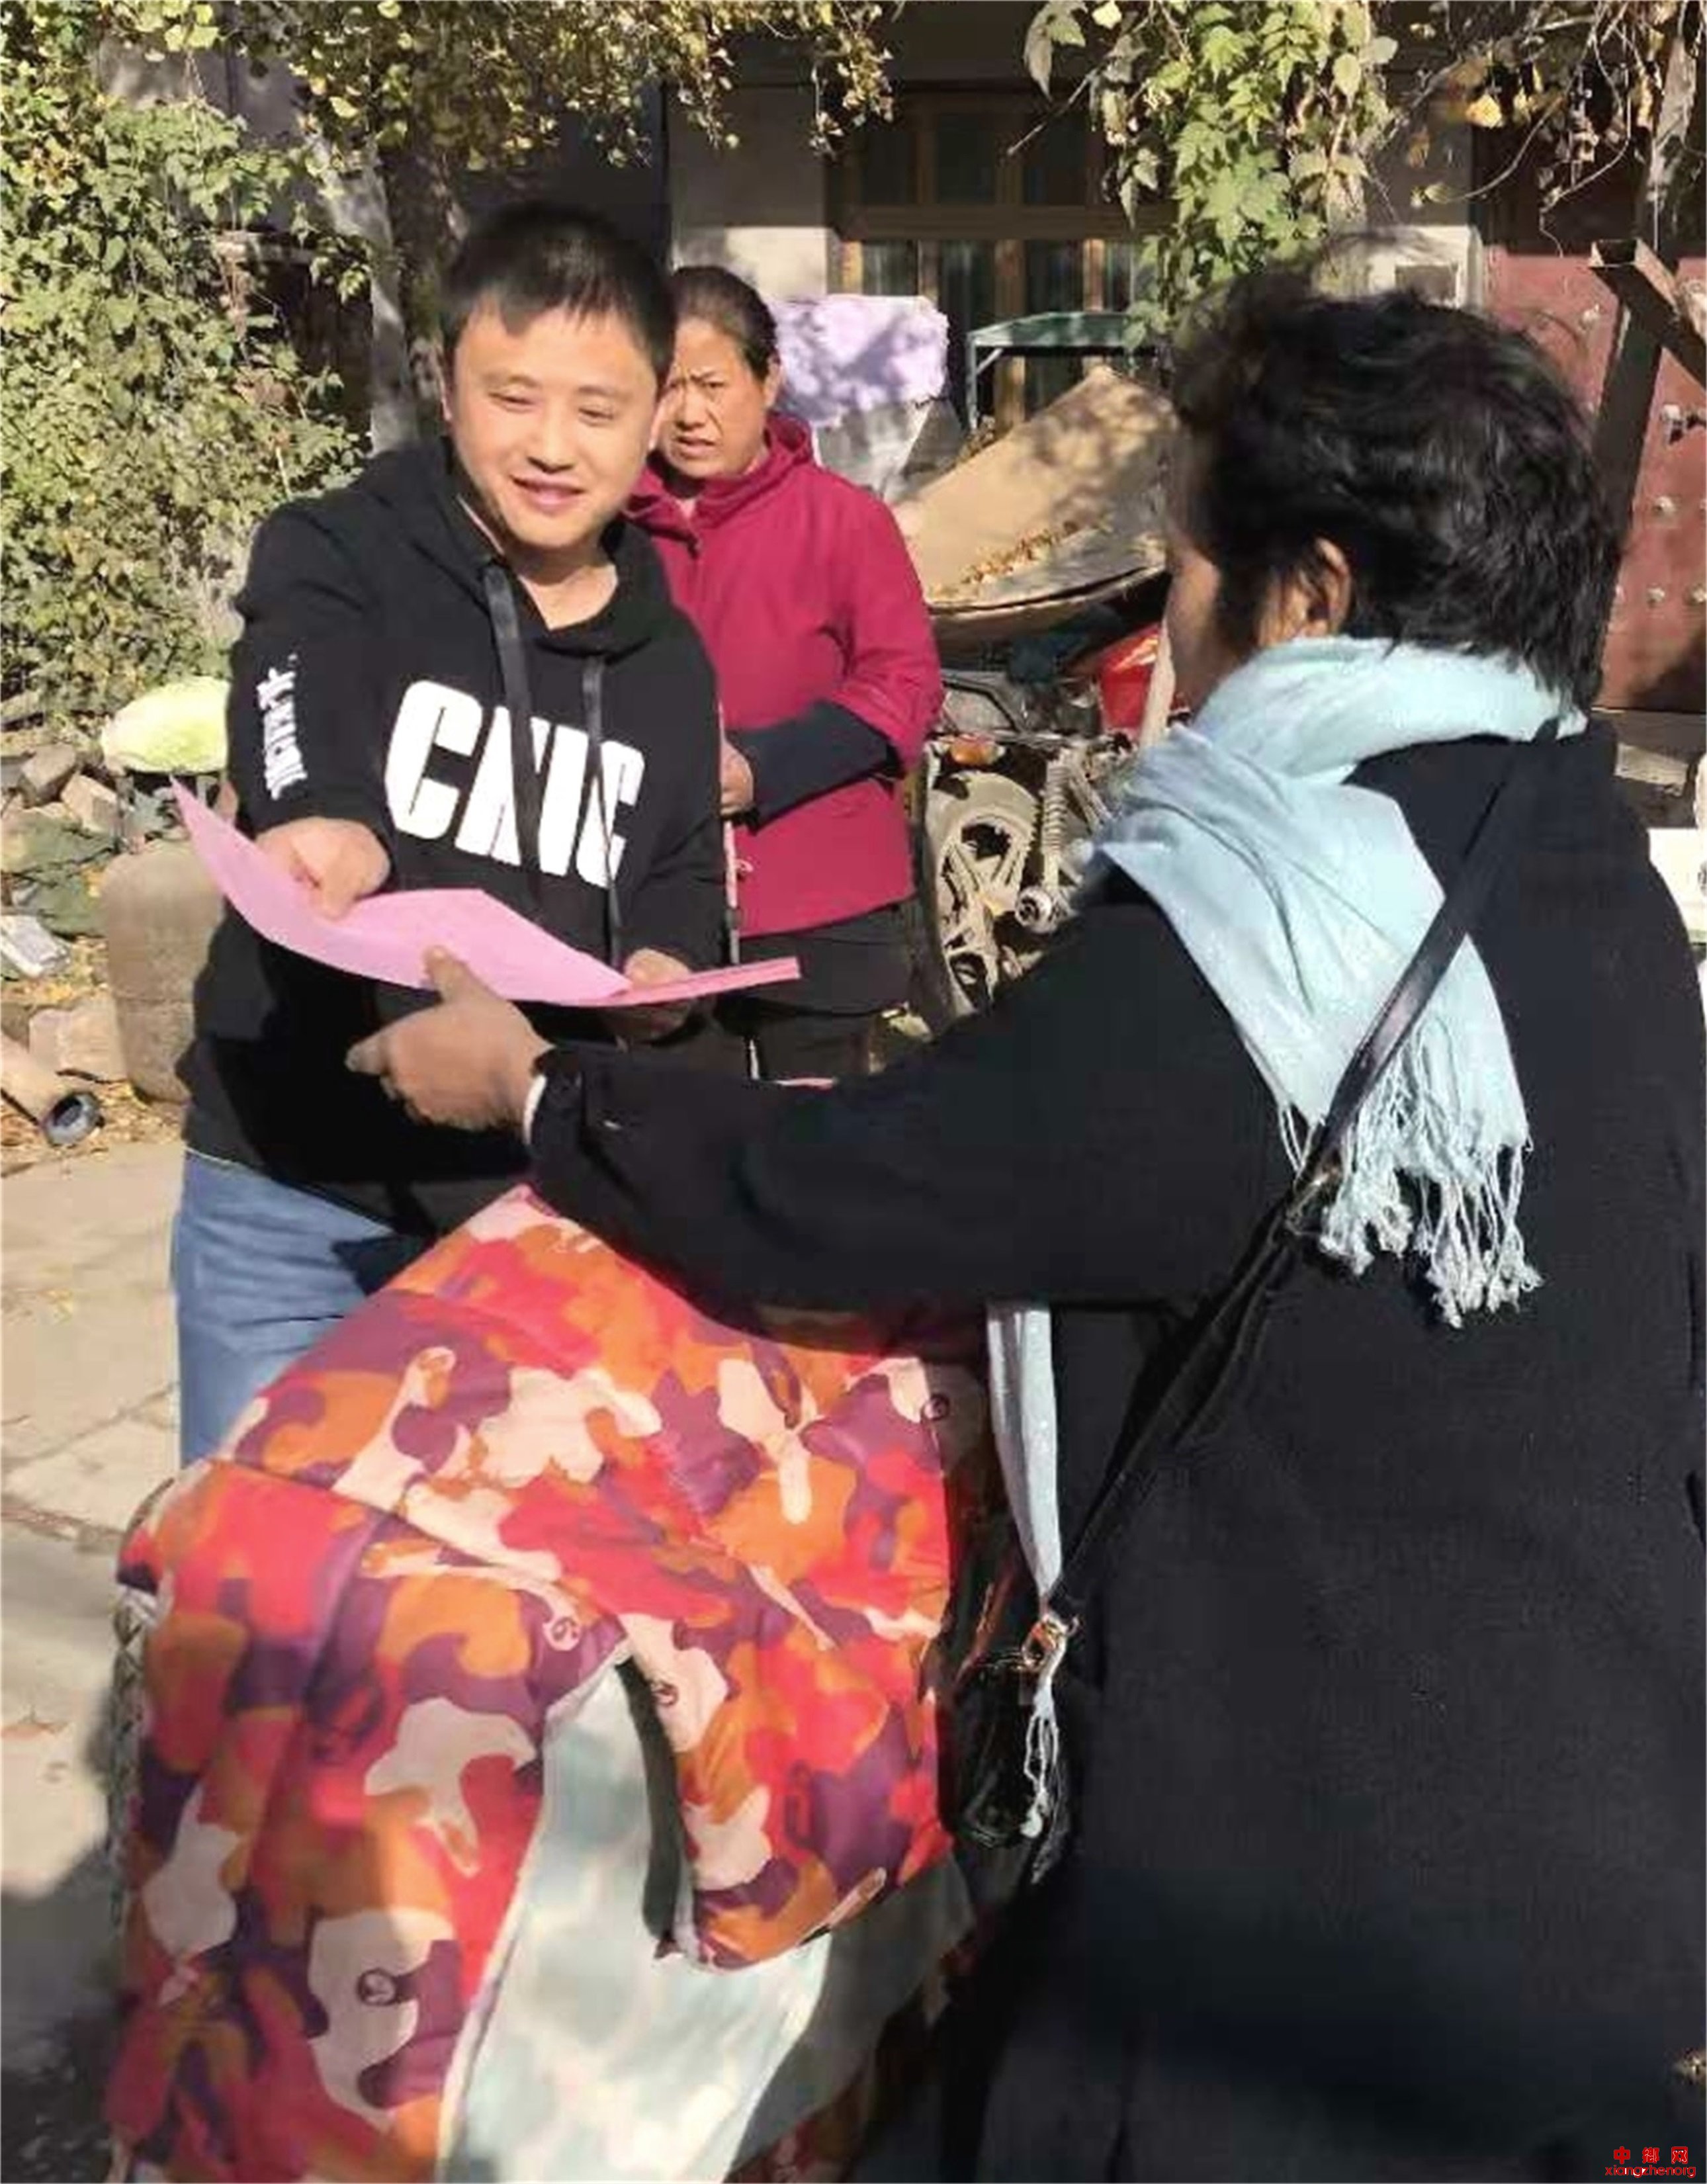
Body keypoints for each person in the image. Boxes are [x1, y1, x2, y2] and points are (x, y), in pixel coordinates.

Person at [348, 273, 1704, 2179]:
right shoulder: (1570, 846)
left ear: (1306, 595)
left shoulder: (1263, 946)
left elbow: (854, 1189)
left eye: (1185, 567)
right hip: (1611, 1832)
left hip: (1321, 1947)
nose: (1169, 623)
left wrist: (537, 1087)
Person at [174, 201, 726, 1465]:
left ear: (654, 415)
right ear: (445, 382)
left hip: (520, 1199)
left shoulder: (670, 661)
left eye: (597, 410)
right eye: (512, 397)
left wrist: (667, 963)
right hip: (286, 1184)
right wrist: (322, 816)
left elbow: (684, 864)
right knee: (252, 1557)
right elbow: (289, 686)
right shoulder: (340, 549)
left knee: (478, 1565)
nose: (552, 448)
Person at [627, 265, 942, 1081]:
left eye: (711, 385)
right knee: (679, 1135)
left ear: (769, 380)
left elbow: (904, 683)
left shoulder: (843, 520)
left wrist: (760, 768)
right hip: (654, 907)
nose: (688, 413)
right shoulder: (611, 531)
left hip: (820, 898)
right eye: (667, 387)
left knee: (818, 1140)